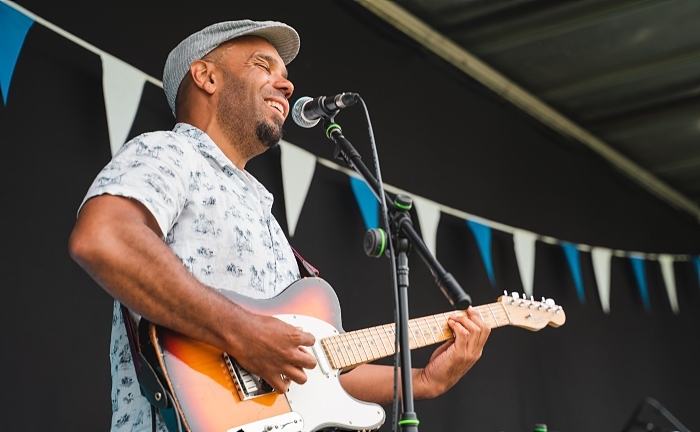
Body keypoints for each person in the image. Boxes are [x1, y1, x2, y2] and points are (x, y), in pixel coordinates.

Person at [68, 19, 490, 432]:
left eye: (285, 75)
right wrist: (243, 331)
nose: (287, 85)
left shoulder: (263, 214)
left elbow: (316, 366)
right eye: (262, 65)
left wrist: (423, 381)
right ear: (206, 76)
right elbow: (103, 238)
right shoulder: (169, 152)